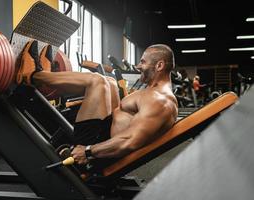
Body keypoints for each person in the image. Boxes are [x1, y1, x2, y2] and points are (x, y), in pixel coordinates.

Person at [16, 41, 178, 169]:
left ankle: (34, 75)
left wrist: (88, 151)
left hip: (99, 152)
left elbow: (129, 141)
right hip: (104, 135)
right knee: (110, 81)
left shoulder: (160, 101)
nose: (138, 66)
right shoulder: (156, 94)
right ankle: (47, 77)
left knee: (96, 80)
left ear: (159, 66)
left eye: (143, 62)